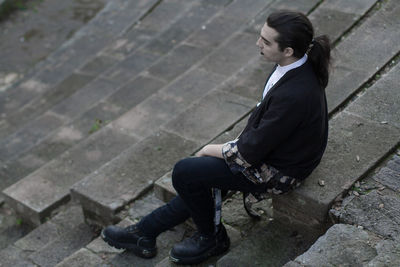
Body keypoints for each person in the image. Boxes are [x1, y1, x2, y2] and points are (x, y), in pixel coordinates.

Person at [101, 10, 331, 265]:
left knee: (185, 172)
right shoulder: (293, 66)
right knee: (197, 179)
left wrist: (209, 149)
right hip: (275, 150)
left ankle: (211, 238)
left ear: (288, 50)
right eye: (260, 37)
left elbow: (247, 153)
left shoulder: (295, 94)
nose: (258, 44)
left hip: (279, 171)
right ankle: (144, 233)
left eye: (266, 42)